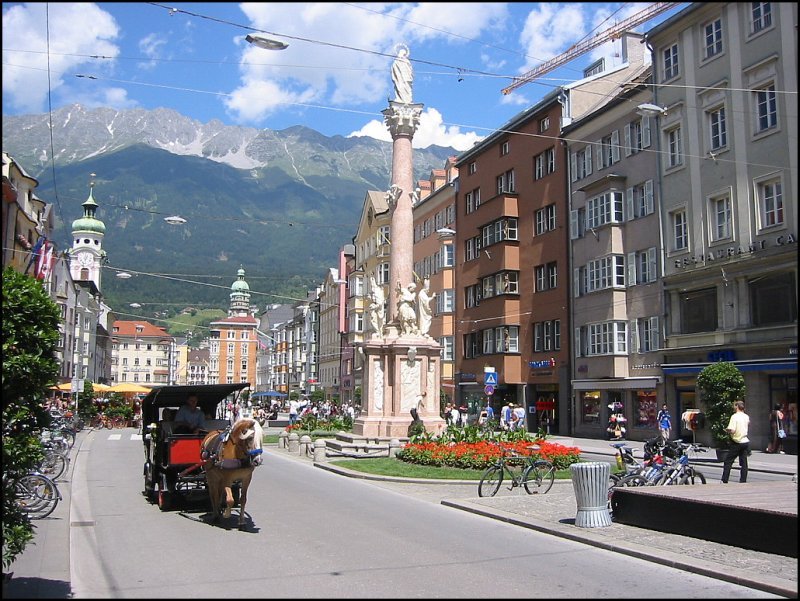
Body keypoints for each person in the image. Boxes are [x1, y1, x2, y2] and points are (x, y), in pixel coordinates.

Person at [721, 400, 750, 484]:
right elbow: (748, 424)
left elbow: (733, 430)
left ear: (737, 407)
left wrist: (727, 430)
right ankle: (743, 480)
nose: (733, 407)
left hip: (736, 441)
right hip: (745, 441)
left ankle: (725, 479)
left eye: (734, 406)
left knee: (728, 461)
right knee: (744, 462)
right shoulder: (746, 416)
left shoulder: (734, 417)